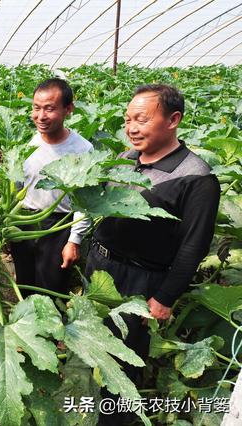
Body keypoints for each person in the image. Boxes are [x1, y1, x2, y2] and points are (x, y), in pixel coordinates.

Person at [86, 84, 220, 424]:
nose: (131, 128)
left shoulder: (196, 177)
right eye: (128, 119)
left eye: (142, 119)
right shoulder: (124, 159)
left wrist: (165, 297)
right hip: (101, 267)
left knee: (124, 364)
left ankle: (114, 420)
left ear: (173, 119)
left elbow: (195, 245)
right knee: (97, 345)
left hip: (141, 281)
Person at [9, 78, 93, 295]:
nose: (41, 116)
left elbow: (86, 203)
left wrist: (74, 240)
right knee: (25, 286)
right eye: (36, 108)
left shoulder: (83, 149)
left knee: (52, 289)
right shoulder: (26, 144)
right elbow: (16, 187)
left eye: (49, 109)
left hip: (58, 226)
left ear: (68, 110)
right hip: (24, 223)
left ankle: (50, 329)